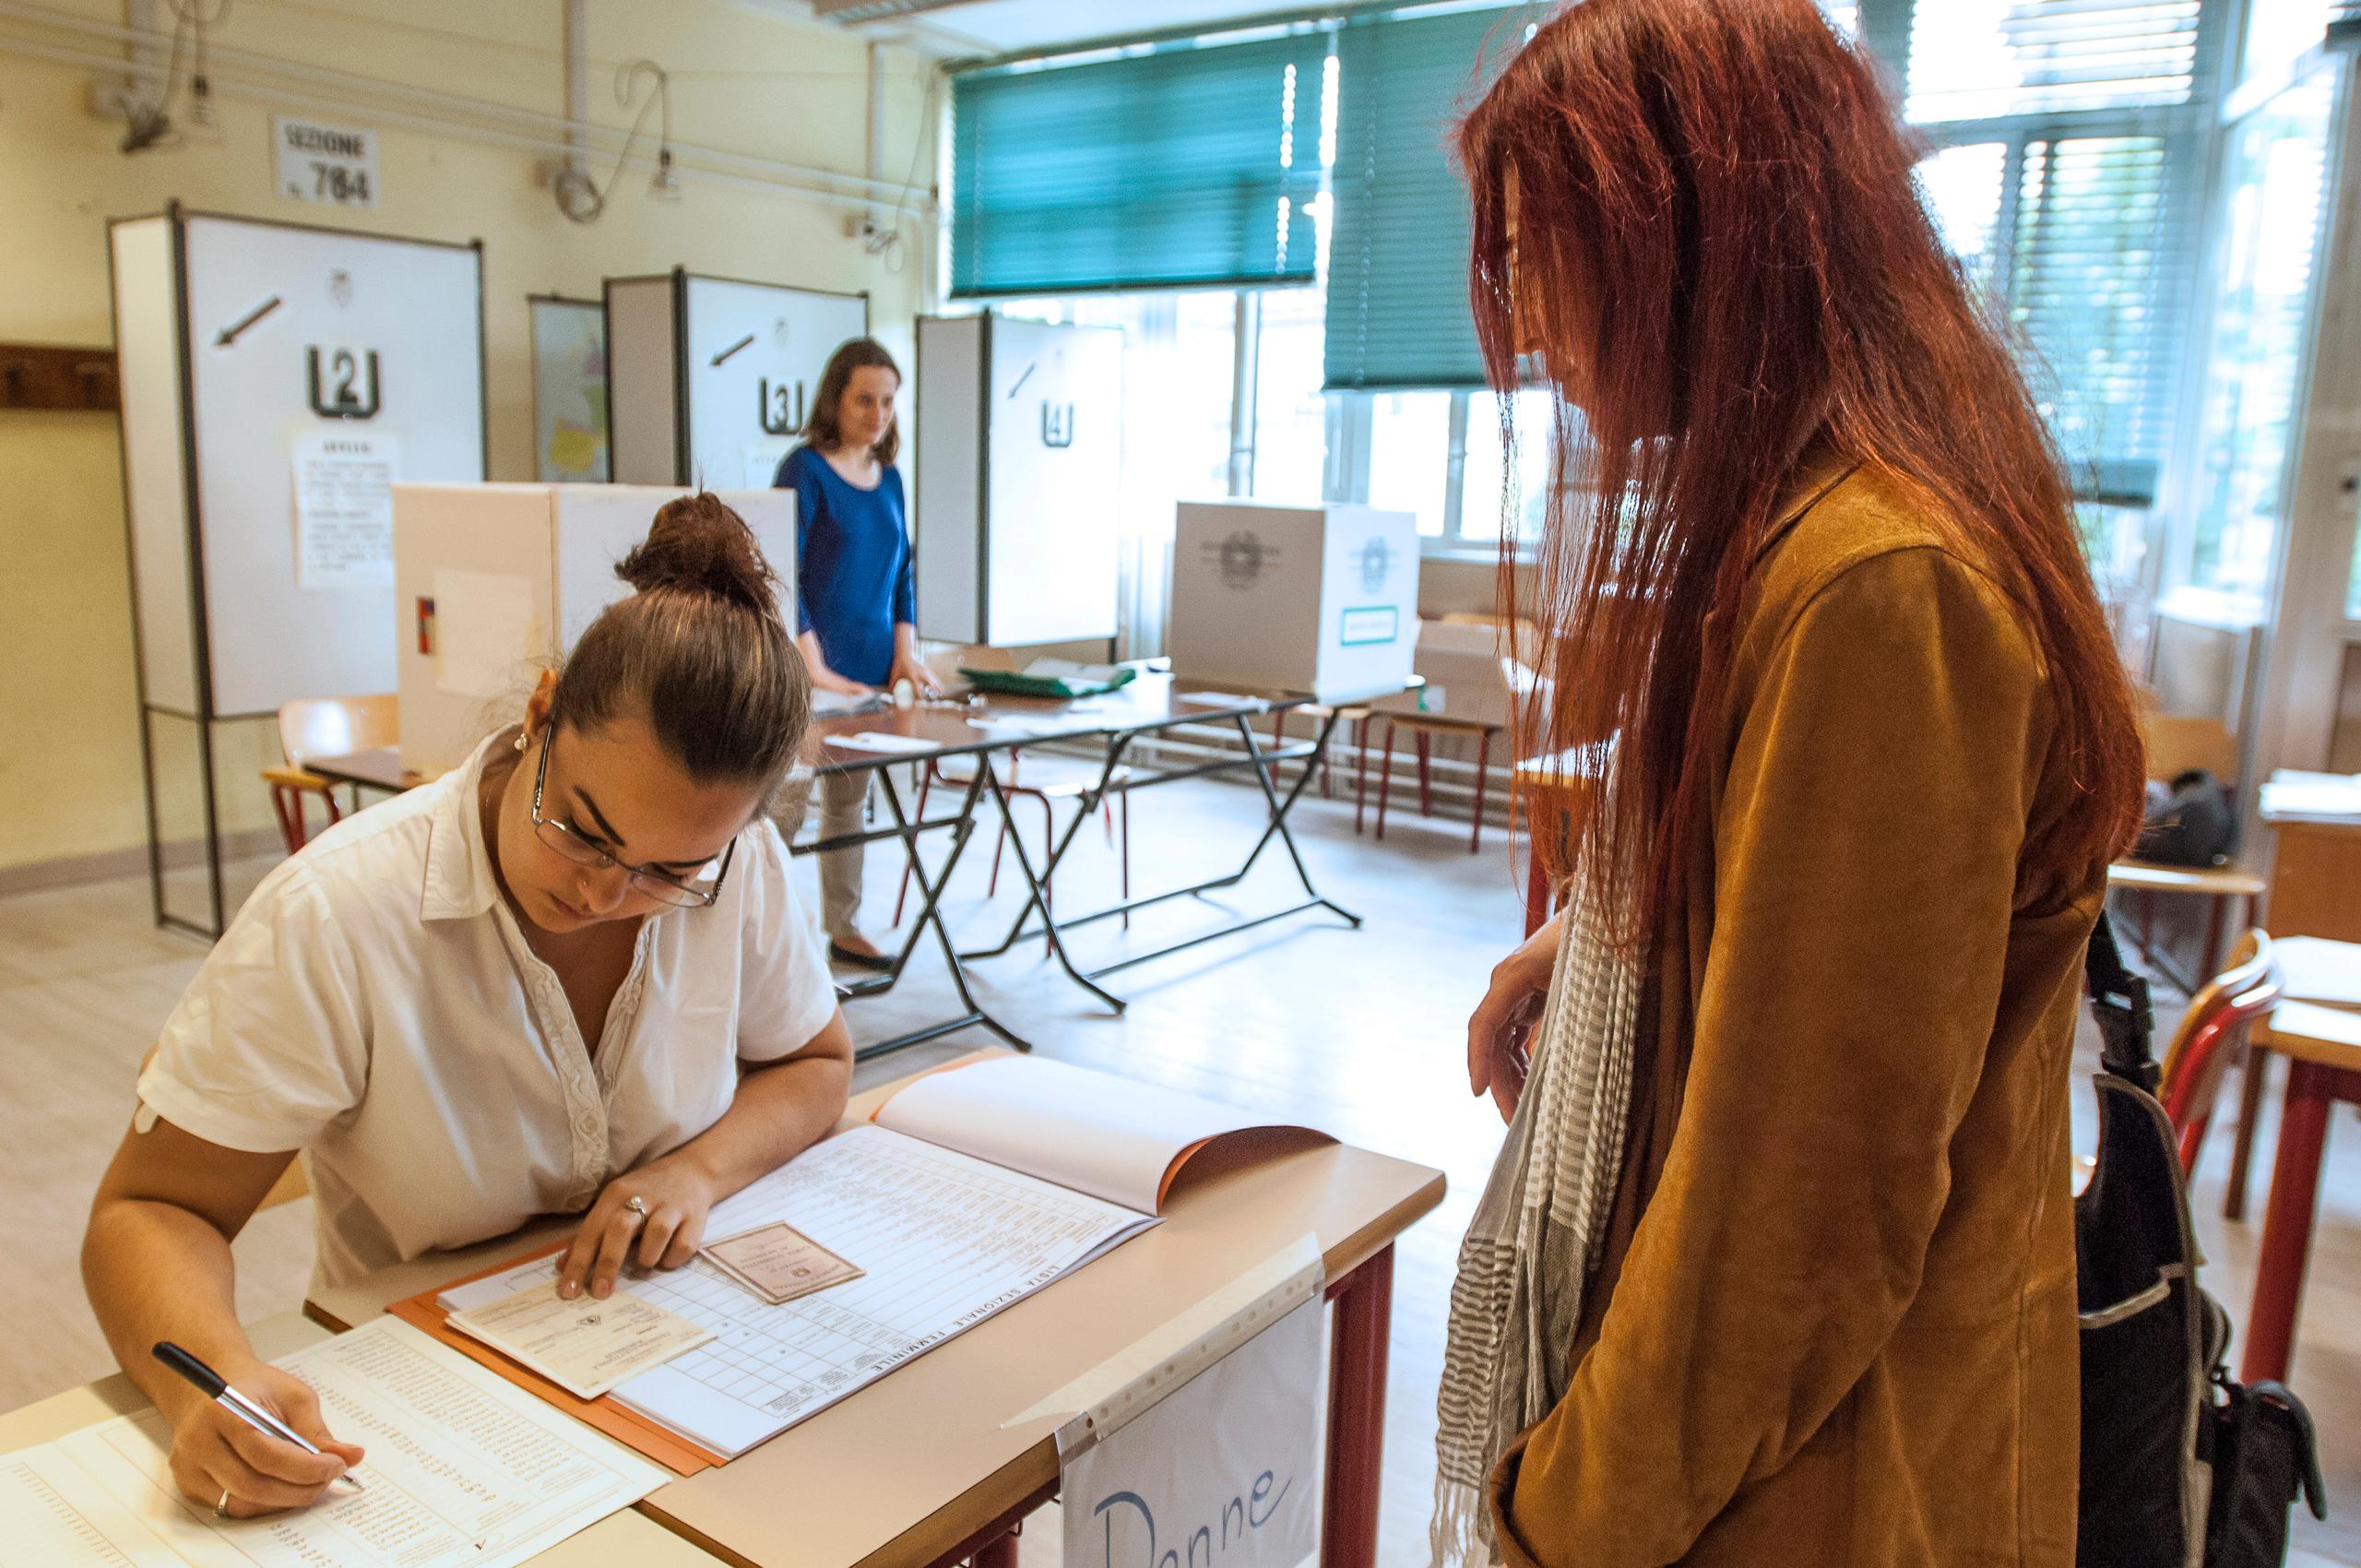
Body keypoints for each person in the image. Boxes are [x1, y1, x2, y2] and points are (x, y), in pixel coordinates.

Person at [1437, 4, 2146, 1565]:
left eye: (1551, 252)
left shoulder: (1877, 581)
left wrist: (1561, 1517)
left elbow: (1801, 1220)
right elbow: (1868, 947)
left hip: (1804, 1485)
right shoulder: (1839, 509)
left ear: (1703, 235)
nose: (1532, 320)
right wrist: (1609, 935)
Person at [82, 495, 852, 1520]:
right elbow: (149, 1209)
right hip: (418, 1394)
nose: (601, 894)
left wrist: (695, 1168)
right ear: (541, 714)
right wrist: (211, 1378)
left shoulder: (742, 866)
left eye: (670, 872)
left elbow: (815, 1063)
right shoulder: (343, 911)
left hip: (673, 1366)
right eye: (581, 829)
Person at [772, 337, 940, 968]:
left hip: (870, 673)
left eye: (889, 401)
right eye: (864, 399)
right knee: (784, 810)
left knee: (849, 805)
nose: (878, 413)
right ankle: (762, 941)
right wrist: (811, 666)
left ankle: (843, 928)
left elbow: (904, 576)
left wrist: (905, 656)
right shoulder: (805, 470)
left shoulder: (889, 478)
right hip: (811, 676)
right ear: (835, 400)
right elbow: (779, 569)